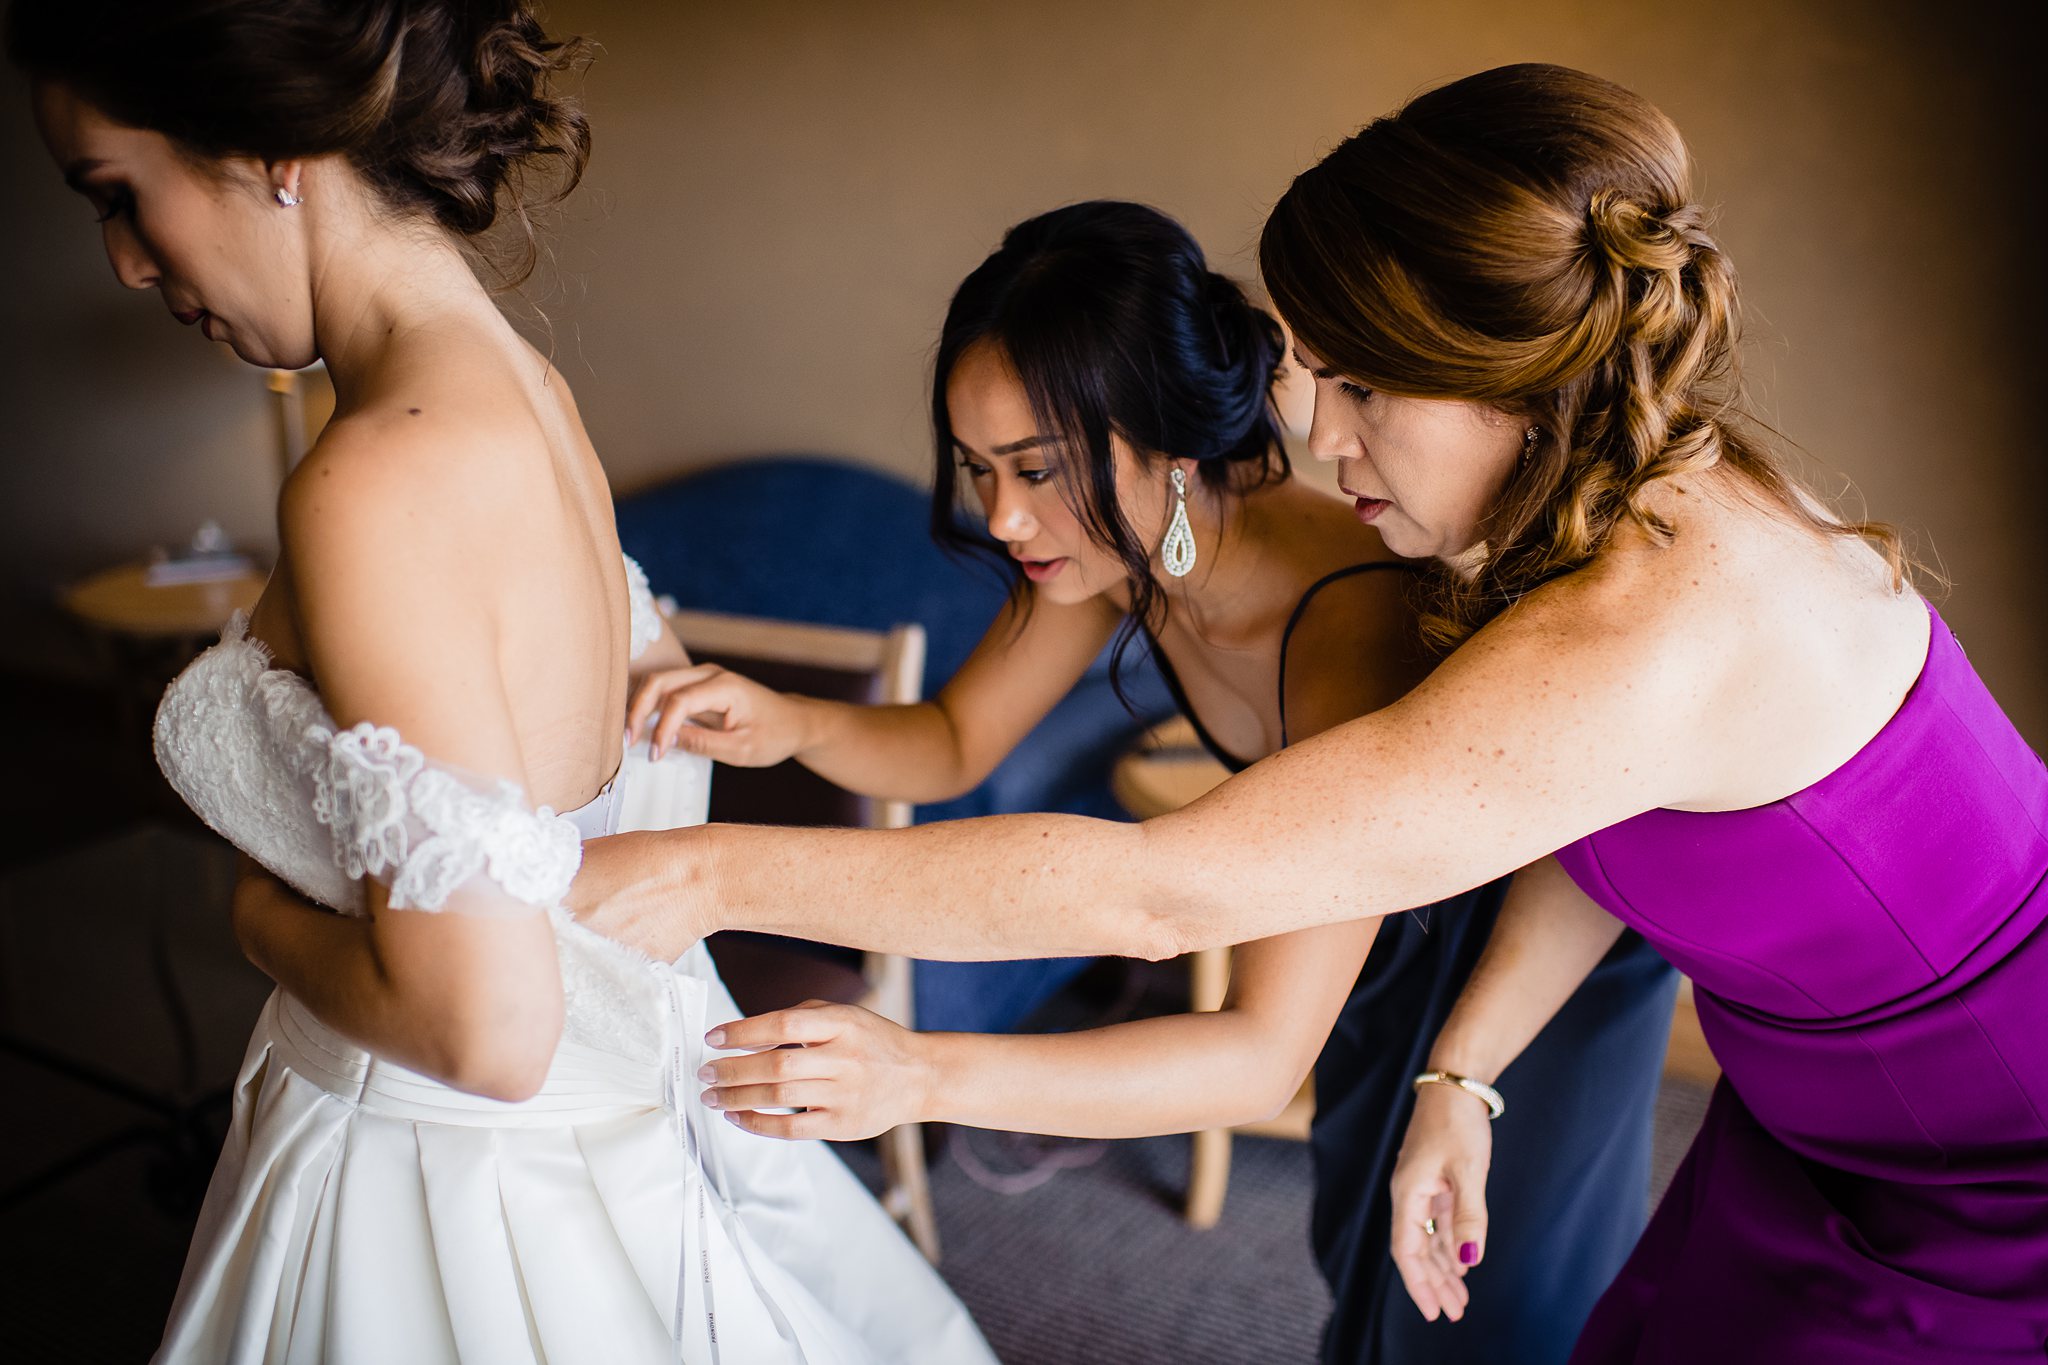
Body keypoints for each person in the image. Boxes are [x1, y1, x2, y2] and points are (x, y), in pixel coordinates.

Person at [573, 63, 2048, 1362]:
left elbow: (1163, 890)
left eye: (1362, 389)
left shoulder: (1630, 624)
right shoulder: (1609, 513)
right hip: (1808, 1114)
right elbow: (1605, 816)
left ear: (1501, 381)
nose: (1316, 437)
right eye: (1310, 376)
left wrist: (711, 872)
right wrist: (1462, 1068)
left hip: (1993, 1157)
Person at [10, 2, 993, 1361]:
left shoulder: (377, 476)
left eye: (121, 195)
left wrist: (256, 916)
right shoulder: (530, 395)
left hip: (429, 1178)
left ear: (267, 145)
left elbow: (485, 1026)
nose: (123, 263)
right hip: (571, 1147)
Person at [625, 198, 1675, 1364]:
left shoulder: (1347, 627)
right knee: (1361, 1268)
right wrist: (784, 721)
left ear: (1169, 444)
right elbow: (949, 743)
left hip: (1526, 966)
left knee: (1484, 1313)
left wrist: (917, 1074)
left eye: (1035, 468)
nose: (1002, 517)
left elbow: (1252, 1055)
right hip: (1371, 956)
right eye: (978, 469)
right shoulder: (1114, 555)